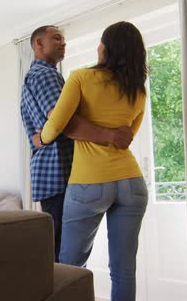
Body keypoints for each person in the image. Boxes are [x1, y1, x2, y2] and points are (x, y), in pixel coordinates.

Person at [38, 21, 149, 301]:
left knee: (69, 267)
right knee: (124, 271)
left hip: (90, 183)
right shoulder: (138, 90)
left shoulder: (80, 78)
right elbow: (127, 137)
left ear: (106, 48)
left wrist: (42, 136)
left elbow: (56, 126)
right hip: (132, 184)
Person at [20, 25, 134, 263]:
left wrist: (42, 137)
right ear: (38, 44)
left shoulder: (46, 74)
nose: (63, 43)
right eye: (57, 38)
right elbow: (62, 120)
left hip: (54, 174)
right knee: (64, 257)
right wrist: (111, 135)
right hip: (58, 172)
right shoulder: (45, 74)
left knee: (61, 253)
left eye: (64, 39)